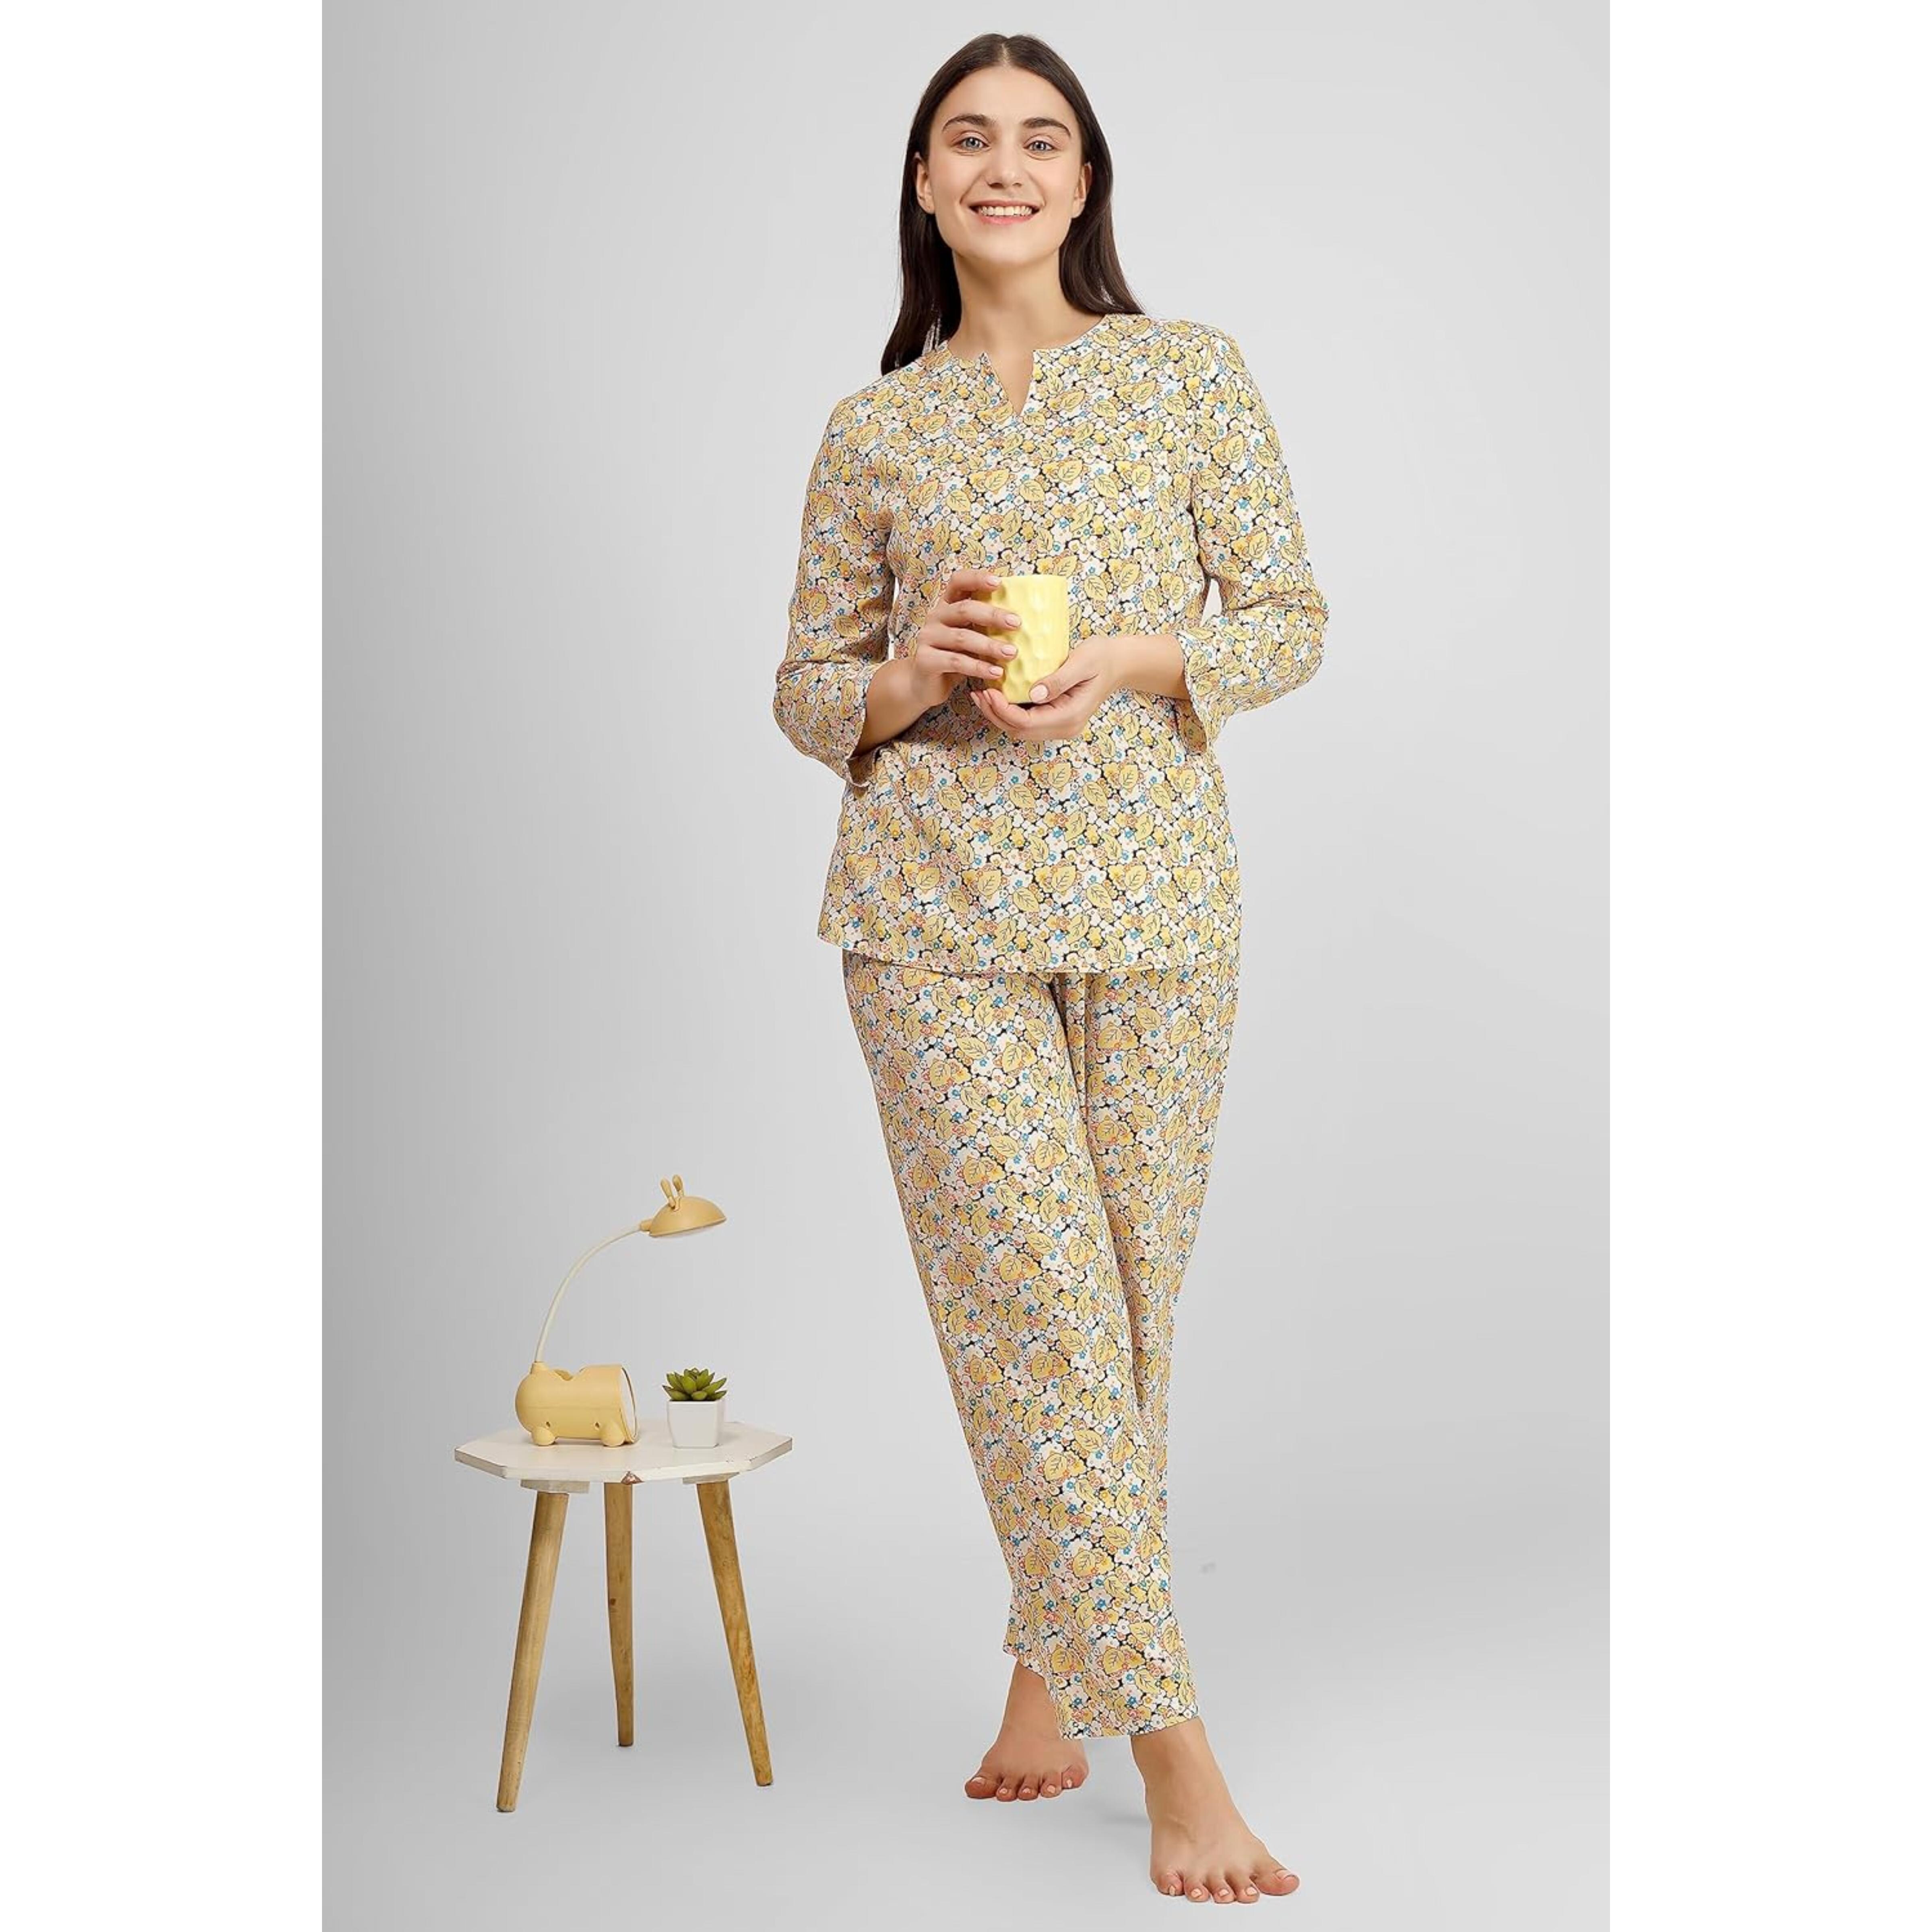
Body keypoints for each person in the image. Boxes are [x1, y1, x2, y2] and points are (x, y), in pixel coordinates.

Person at [772, 31, 1327, 1908]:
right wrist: (903, 682)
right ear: (925, 185)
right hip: (932, 915)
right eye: (967, 140)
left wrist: (1143, 661)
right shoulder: (874, 430)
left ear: (1085, 181)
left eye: (1039, 138)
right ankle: (1178, 1757)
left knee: (1124, 1314)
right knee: (1039, 1307)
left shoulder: (1189, 373)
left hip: (1159, 904)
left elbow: (1291, 615)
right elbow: (803, 691)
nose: (1003, 166)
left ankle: (1045, 1663)